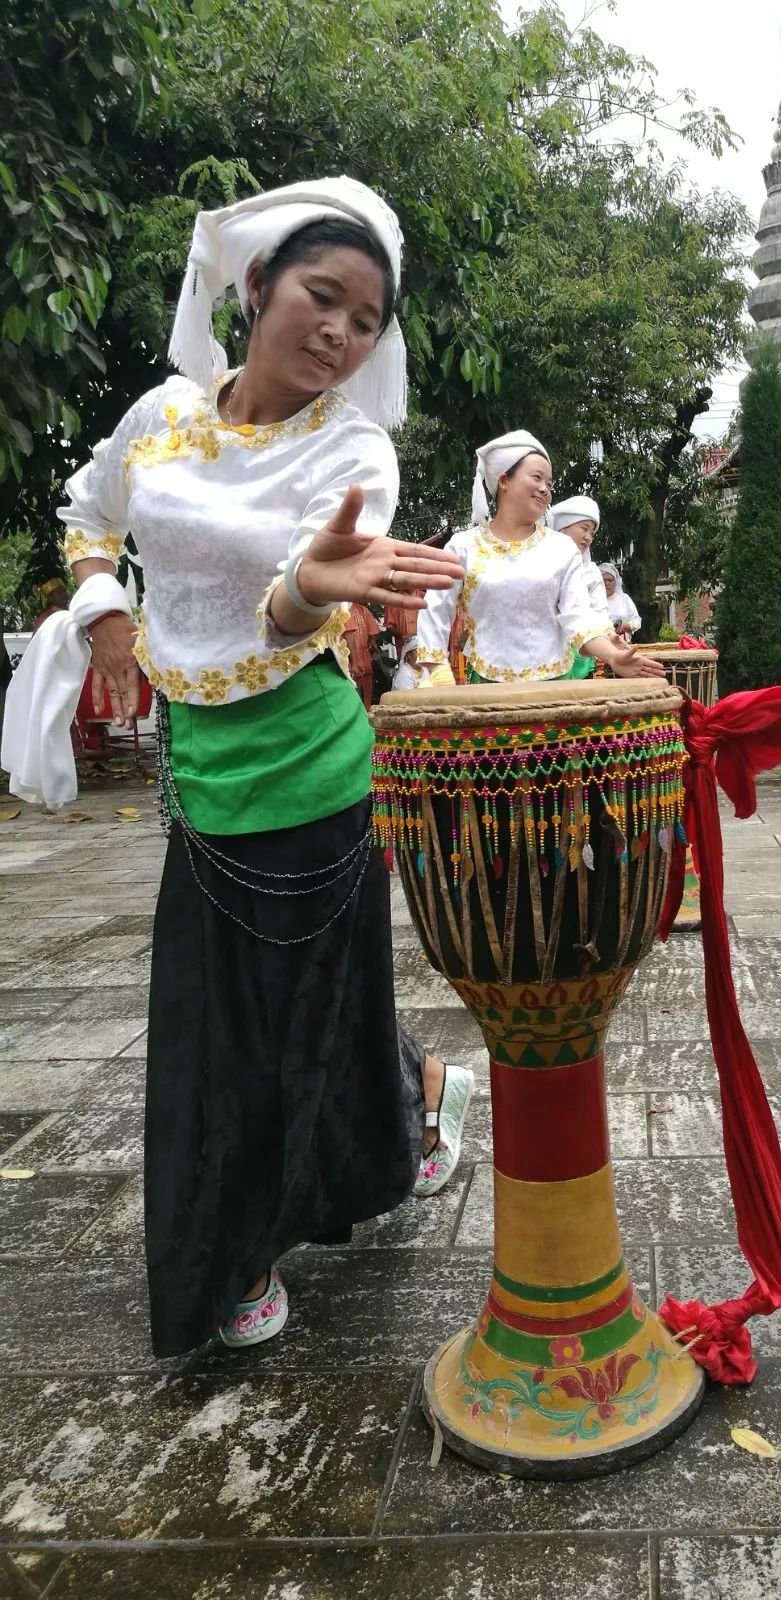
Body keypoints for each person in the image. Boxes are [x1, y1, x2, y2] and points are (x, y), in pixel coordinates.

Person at [57, 176, 476, 1357]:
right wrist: (105, 616)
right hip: (202, 783)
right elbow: (89, 515)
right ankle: (405, 1109)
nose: (339, 331)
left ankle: (254, 1242)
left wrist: (304, 592)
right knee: (225, 1030)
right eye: (322, 296)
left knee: (303, 1024)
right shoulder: (161, 417)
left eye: (365, 321)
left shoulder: (352, 449)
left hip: (319, 778)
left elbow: (300, 596)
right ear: (258, 288)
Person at [414, 432, 664, 684]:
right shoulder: (464, 546)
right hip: (488, 685)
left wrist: (612, 656)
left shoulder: (561, 548)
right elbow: (436, 606)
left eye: (550, 483)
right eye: (537, 477)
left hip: (555, 684)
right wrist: (436, 667)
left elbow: (578, 615)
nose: (545, 488)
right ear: (504, 480)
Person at [546, 494, 605, 678]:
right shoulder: (541, 564)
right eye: (584, 528)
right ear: (563, 529)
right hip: (545, 654)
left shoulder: (591, 572)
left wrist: (608, 637)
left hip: (581, 649)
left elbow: (599, 610)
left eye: (592, 533)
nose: (588, 537)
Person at [597, 561, 641, 641]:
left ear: (615, 582)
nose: (607, 583)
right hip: (599, 646)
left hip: (622, 643)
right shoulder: (592, 601)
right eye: (603, 580)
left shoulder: (624, 598)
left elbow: (637, 620)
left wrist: (627, 626)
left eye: (610, 580)